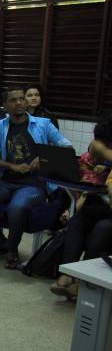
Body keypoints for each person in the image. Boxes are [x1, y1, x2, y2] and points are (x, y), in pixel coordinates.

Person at [0, 89, 72, 268]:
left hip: (35, 184)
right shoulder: (1, 125)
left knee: (17, 207)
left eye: (22, 99)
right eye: (13, 100)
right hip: (7, 181)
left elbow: (67, 147)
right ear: (5, 106)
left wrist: (44, 158)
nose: (19, 103)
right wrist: (12, 166)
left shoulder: (43, 124)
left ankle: (12, 249)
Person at [50, 116, 112, 300]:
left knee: (102, 228)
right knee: (79, 219)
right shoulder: (98, 152)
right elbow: (86, 163)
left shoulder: (102, 150)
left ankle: (84, 281)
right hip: (102, 205)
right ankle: (68, 273)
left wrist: (103, 151)